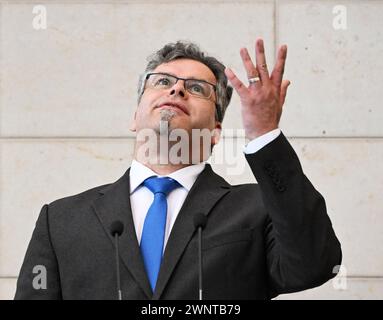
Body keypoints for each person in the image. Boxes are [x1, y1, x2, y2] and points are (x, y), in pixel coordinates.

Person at [15, 39, 342, 300]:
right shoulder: (60, 220)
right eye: (162, 81)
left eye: (197, 88)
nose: (176, 89)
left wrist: (265, 134)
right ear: (135, 116)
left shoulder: (258, 208)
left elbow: (315, 264)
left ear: (215, 130)